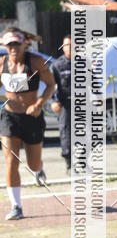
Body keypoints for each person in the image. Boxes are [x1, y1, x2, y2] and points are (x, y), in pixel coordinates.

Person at [0, 29, 55, 219]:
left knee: (32, 164)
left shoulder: (35, 61)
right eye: (10, 45)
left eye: (16, 44)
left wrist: (39, 104)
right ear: (5, 47)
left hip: (32, 117)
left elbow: (51, 84)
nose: (13, 49)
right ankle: (16, 206)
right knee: (11, 162)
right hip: (9, 118)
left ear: (24, 44)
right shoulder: (1, 64)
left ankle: (39, 170)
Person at [51, 36, 72, 174]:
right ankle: (69, 163)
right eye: (67, 45)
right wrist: (54, 101)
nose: (70, 48)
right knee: (66, 133)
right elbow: (52, 86)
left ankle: (84, 161)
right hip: (65, 103)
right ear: (62, 47)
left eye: (72, 45)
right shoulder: (57, 65)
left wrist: (98, 98)